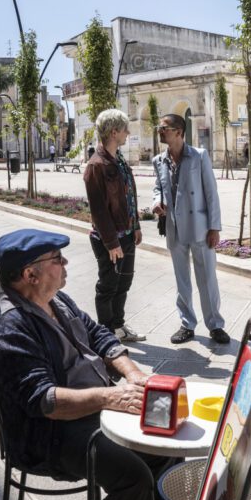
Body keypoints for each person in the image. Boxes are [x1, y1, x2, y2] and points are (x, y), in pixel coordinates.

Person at [0, 229, 166, 500]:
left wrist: (133, 374)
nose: (65, 262)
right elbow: (46, 401)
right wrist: (110, 398)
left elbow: (97, 333)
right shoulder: (8, 331)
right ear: (30, 274)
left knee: (164, 440)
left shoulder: (56, 299)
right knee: (132, 475)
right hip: (50, 435)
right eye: (56, 259)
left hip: (92, 408)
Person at [152, 114, 230, 345]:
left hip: (200, 227)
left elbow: (211, 193)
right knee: (182, 280)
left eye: (164, 127)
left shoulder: (199, 156)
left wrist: (214, 227)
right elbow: (158, 187)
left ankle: (215, 325)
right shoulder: (159, 160)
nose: (160, 131)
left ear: (178, 131)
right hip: (174, 227)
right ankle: (187, 324)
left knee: (207, 278)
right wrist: (156, 202)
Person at [83, 109, 145, 342]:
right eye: (125, 129)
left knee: (124, 282)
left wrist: (136, 225)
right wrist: (111, 242)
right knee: (108, 285)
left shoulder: (118, 160)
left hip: (127, 234)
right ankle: (106, 333)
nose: (128, 133)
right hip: (110, 239)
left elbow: (129, 195)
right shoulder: (96, 165)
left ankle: (118, 325)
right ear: (113, 131)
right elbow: (98, 210)